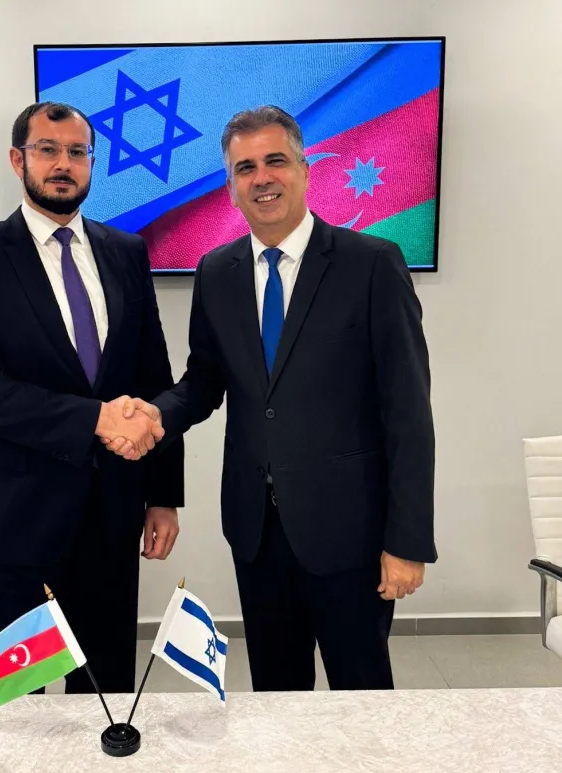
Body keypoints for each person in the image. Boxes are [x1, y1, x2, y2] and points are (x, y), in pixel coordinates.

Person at [107, 105, 436, 691]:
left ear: (305, 170)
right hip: (256, 530)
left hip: (351, 534)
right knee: (275, 702)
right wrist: (156, 414)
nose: (262, 178)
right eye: (245, 168)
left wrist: (407, 542)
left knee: (363, 702)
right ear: (230, 187)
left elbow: (408, 414)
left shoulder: (371, 264)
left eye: (275, 161)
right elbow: (204, 382)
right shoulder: (217, 271)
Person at [0, 101, 184, 694]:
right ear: (17, 159)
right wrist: (95, 419)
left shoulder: (126, 251)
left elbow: (154, 378)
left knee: (104, 696)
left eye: (77, 152)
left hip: (112, 514)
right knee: (15, 701)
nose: (63, 164)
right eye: (47, 149)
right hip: (16, 520)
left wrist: (162, 495)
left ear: (92, 162)